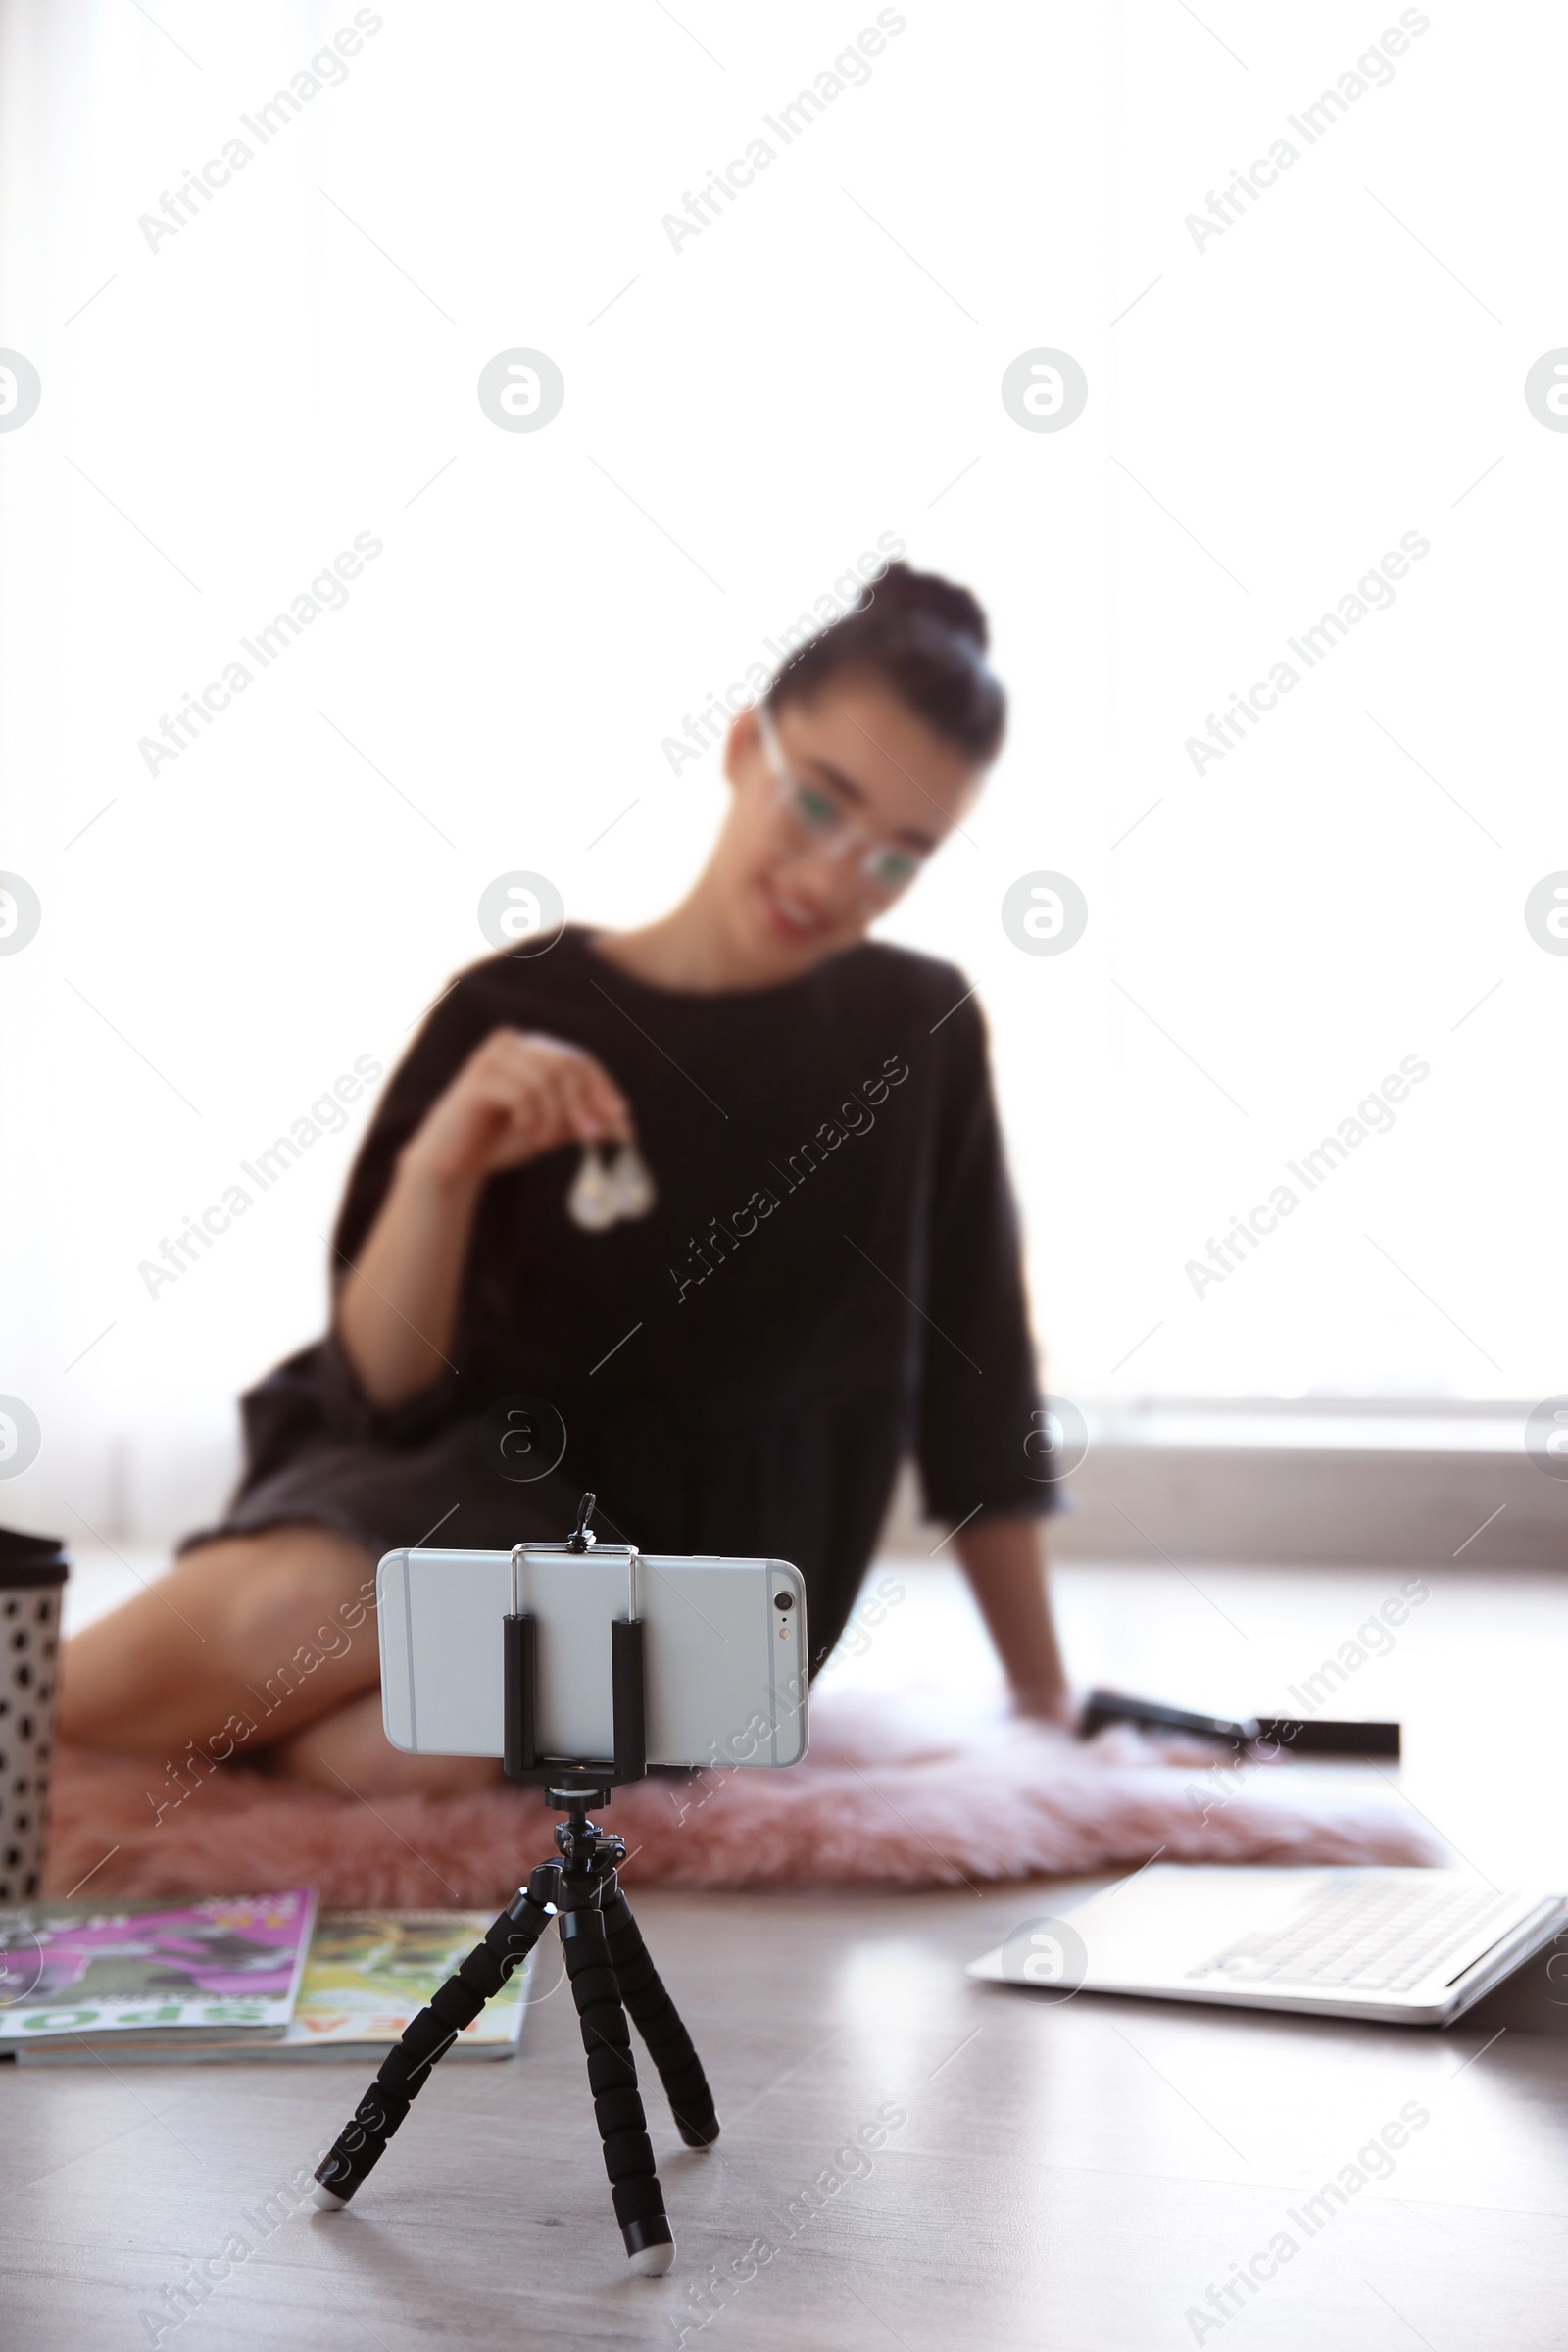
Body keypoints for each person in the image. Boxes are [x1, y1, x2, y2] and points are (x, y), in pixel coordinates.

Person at [62, 563, 1072, 1794]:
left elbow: (981, 1384)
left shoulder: (916, 1028)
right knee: (293, 1623)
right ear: (748, 747)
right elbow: (379, 1386)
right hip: (464, 1486)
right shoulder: (513, 1009)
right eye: (819, 807)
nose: (832, 878)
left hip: (718, 1567)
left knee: (391, 1755)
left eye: (898, 857)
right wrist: (445, 1164)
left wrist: (1044, 1707)